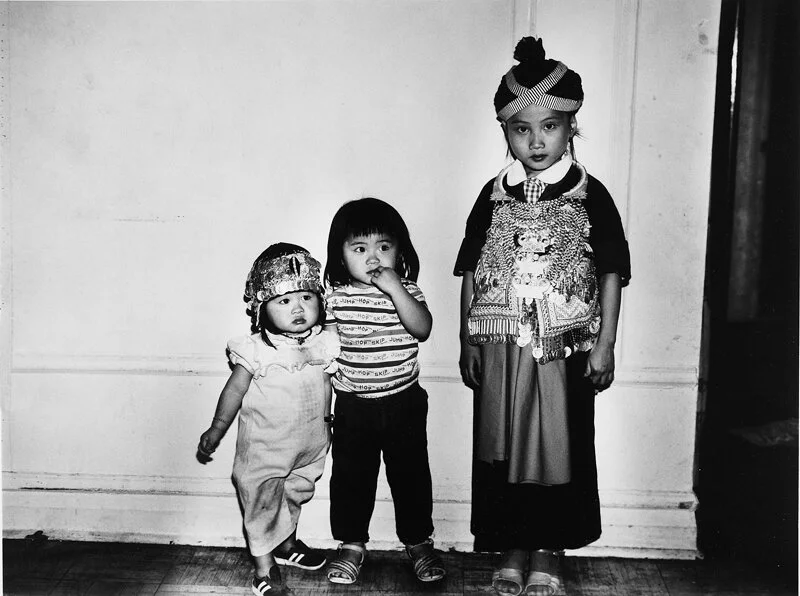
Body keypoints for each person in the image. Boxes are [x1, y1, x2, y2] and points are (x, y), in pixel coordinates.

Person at [454, 37, 631, 596]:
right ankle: (511, 543)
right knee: (502, 445)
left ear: (571, 128)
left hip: (563, 351)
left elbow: (610, 270)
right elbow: (472, 270)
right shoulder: (492, 194)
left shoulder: (589, 194)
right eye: (521, 129)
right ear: (505, 131)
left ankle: (550, 548)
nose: (535, 142)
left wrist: (604, 345)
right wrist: (468, 341)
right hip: (503, 348)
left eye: (549, 127)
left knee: (558, 444)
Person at [197, 243, 340, 596]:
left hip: (310, 445)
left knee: (293, 493)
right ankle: (264, 567)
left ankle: (286, 546)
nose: (298, 308)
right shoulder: (256, 350)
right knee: (262, 501)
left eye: (307, 297)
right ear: (262, 308)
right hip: (265, 448)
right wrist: (217, 428)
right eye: (284, 301)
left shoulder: (324, 343)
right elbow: (233, 391)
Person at [322, 197, 446, 585]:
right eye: (360, 248)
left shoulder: (408, 291)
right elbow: (324, 356)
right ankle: (352, 543)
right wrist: (325, 414)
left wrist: (396, 290)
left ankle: (419, 542)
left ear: (399, 251)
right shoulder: (335, 299)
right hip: (354, 405)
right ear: (341, 258)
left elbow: (422, 328)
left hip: (403, 402)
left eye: (384, 247)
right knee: (350, 478)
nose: (373, 257)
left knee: (410, 476)